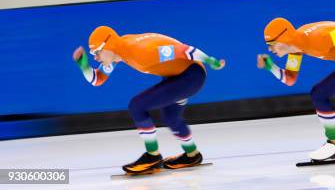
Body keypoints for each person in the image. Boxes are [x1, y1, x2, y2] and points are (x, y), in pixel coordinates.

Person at [72, 25, 225, 174]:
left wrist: (212, 61)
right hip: (179, 75)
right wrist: (83, 65)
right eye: (93, 54)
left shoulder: (141, 53)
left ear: (108, 46)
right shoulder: (119, 52)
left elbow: (184, 50)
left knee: (137, 106)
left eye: (97, 52)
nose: (96, 57)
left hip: (191, 77)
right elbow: (97, 80)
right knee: (170, 117)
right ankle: (192, 155)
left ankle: (152, 156)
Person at [257, 18, 335, 161]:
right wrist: (270, 67)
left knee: (319, 94)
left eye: (272, 44)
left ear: (284, 39)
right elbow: (290, 79)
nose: (270, 49)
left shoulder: (320, 40)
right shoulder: (296, 47)